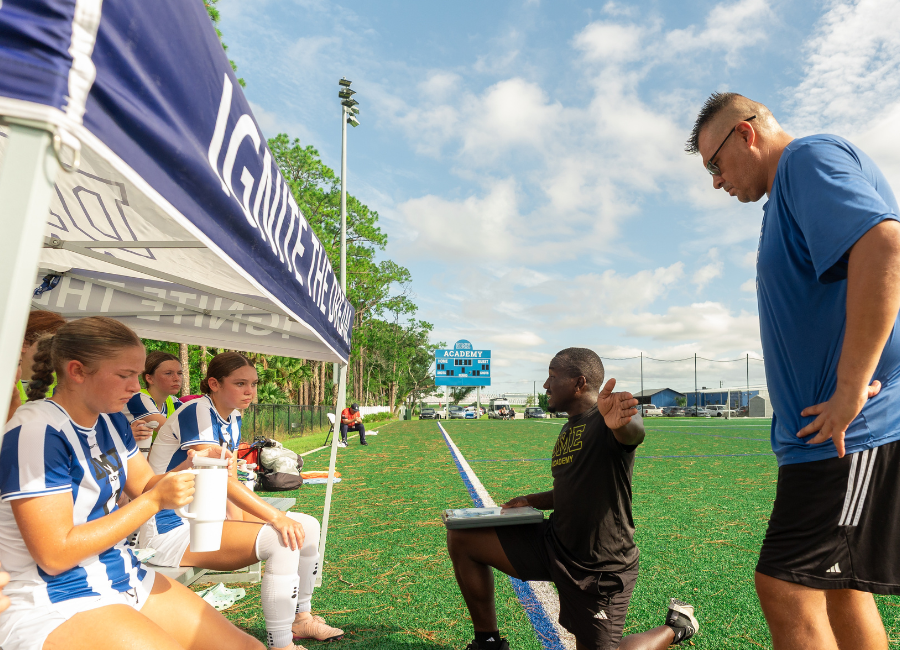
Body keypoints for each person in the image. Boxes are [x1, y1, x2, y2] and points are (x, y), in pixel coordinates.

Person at [687, 92, 900, 650]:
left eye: (714, 163)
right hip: (821, 436)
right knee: (840, 589)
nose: (715, 181)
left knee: (783, 587)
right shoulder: (782, 196)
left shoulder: (807, 159)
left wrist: (852, 389)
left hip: (846, 434)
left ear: (746, 134)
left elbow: (885, 244)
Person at [0, 316, 263, 650]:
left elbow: (146, 485)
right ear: (77, 371)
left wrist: (189, 467)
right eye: (124, 375)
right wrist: (154, 502)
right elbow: (55, 554)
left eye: (137, 376)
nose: (135, 388)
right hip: (53, 597)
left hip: (120, 572)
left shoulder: (110, 422)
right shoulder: (37, 433)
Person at [446, 348, 698, 650]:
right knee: (463, 538)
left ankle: (676, 627)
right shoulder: (570, 426)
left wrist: (625, 424)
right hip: (556, 544)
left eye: (553, 377)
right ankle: (487, 641)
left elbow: (633, 435)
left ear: (579, 384)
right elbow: (575, 489)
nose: (545, 385)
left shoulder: (605, 423)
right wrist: (532, 500)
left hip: (598, 567)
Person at [145, 352, 343, 650]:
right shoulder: (197, 411)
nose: (250, 391)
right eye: (240, 383)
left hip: (202, 518)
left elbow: (231, 478)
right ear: (214, 383)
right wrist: (273, 518)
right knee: (281, 536)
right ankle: (282, 644)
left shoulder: (233, 415)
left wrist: (238, 525)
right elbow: (217, 476)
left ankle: (301, 618)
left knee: (308, 526)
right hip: (167, 530)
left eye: (254, 383)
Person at [7, 310, 66, 422]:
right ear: (24, 344)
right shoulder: (6, 382)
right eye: (49, 345)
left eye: (63, 348)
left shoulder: (62, 382)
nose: (60, 355)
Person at [122, 351, 185, 448]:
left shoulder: (174, 402)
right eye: (168, 373)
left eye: (180, 373)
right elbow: (172, 432)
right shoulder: (137, 398)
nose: (177, 378)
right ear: (149, 378)